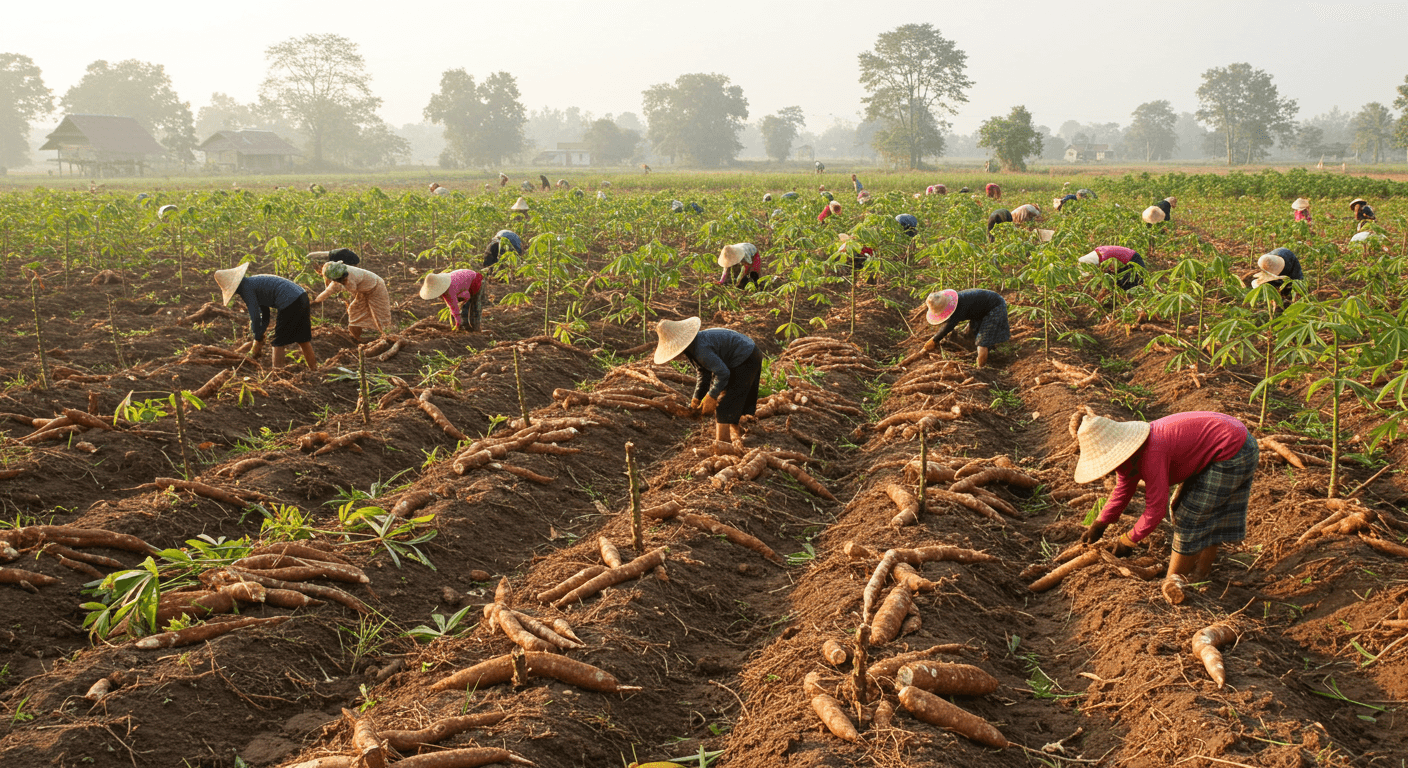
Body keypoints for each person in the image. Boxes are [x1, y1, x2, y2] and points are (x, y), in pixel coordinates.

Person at [1074, 412, 1257, 580]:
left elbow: (1156, 510)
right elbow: (1124, 487)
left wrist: (1128, 541)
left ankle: (1175, 581)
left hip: (1232, 448)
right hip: (1226, 438)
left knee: (1188, 517)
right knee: (1203, 512)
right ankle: (1200, 574)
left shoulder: (1151, 453)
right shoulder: (1129, 456)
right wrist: (1100, 523)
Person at [653, 317, 762, 445]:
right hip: (742, 356)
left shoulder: (700, 350)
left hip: (746, 357)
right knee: (730, 399)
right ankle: (736, 435)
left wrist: (712, 395)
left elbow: (723, 373)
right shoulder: (693, 348)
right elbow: (703, 373)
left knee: (724, 403)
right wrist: (697, 398)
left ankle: (723, 444)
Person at [215, 263, 317, 370]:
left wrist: (257, 336)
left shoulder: (246, 289)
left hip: (289, 301)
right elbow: (265, 314)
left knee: (278, 342)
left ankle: (277, 375)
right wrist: (260, 333)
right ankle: (315, 371)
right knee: (303, 339)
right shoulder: (254, 283)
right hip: (302, 296)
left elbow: (255, 316)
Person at [920, 289, 1009, 368]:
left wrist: (934, 340)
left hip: (994, 307)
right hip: (980, 311)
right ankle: (989, 351)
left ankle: (981, 368)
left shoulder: (958, 307)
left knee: (982, 343)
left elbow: (948, 326)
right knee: (969, 334)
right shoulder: (955, 303)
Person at [311, 260, 392, 343]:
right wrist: (315, 301)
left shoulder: (351, 277)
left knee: (380, 313)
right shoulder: (338, 276)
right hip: (363, 292)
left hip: (376, 288)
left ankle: (388, 337)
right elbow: (327, 292)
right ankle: (357, 339)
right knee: (353, 311)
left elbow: (351, 291)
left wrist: (342, 292)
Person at [420, 269, 485, 332]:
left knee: (474, 308)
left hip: (476, 282)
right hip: (468, 281)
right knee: (465, 309)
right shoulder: (447, 283)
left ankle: (476, 331)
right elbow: (465, 296)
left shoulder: (449, 290)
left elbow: (454, 307)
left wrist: (458, 324)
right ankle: (467, 327)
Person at [1079, 246, 1147, 291]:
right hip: (1128, 260)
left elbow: (1110, 272)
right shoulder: (1099, 251)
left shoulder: (1105, 258)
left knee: (1137, 282)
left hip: (1133, 259)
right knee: (1120, 281)